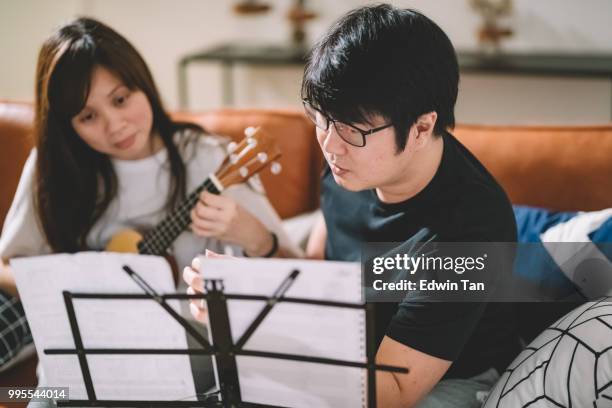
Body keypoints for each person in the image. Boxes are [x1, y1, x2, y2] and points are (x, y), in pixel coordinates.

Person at [185, 4, 521, 407]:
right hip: (354, 345)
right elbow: (323, 276)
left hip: (443, 378)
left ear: (421, 128)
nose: (329, 144)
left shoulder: (469, 231)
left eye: (351, 128)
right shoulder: (349, 163)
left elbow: (393, 393)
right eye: (321, 118)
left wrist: (261, 319)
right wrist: (248, 288)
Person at [0, 17, 294, 374]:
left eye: (121, 99)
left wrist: (254, 235)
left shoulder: (209, 157)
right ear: (68, 127)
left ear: (144, 85)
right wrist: (75, 283)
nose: (115, 125)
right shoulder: (53, 168)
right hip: (87, 359)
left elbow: (295, 269)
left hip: (189, 356)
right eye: (88, 116)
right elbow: (6, 269)